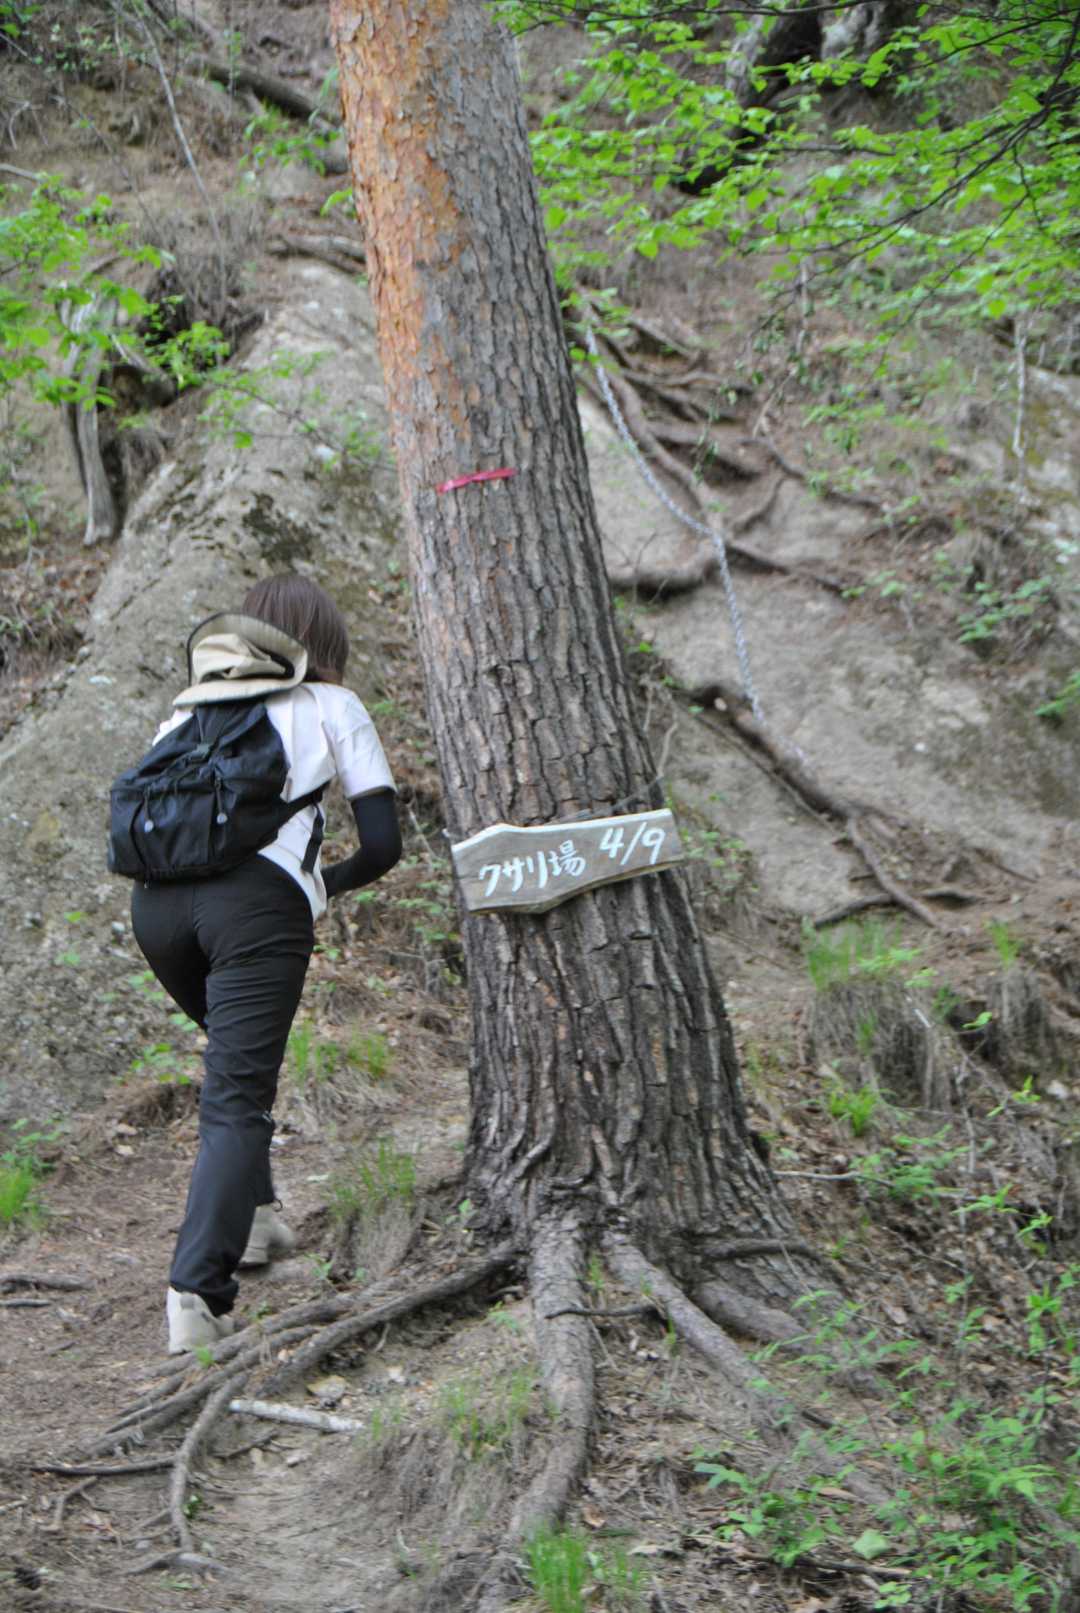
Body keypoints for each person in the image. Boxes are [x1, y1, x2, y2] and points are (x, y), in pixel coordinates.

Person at [129, 574, 401, 1355]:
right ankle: (197, 1293)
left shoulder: (189, 708)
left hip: (155, 909)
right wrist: (321, 886)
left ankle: (253, 1219)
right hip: (254, 910)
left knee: (234, 1068)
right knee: (237, 1098)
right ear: (324, 644)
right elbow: (382, 844)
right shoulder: (333, 704)